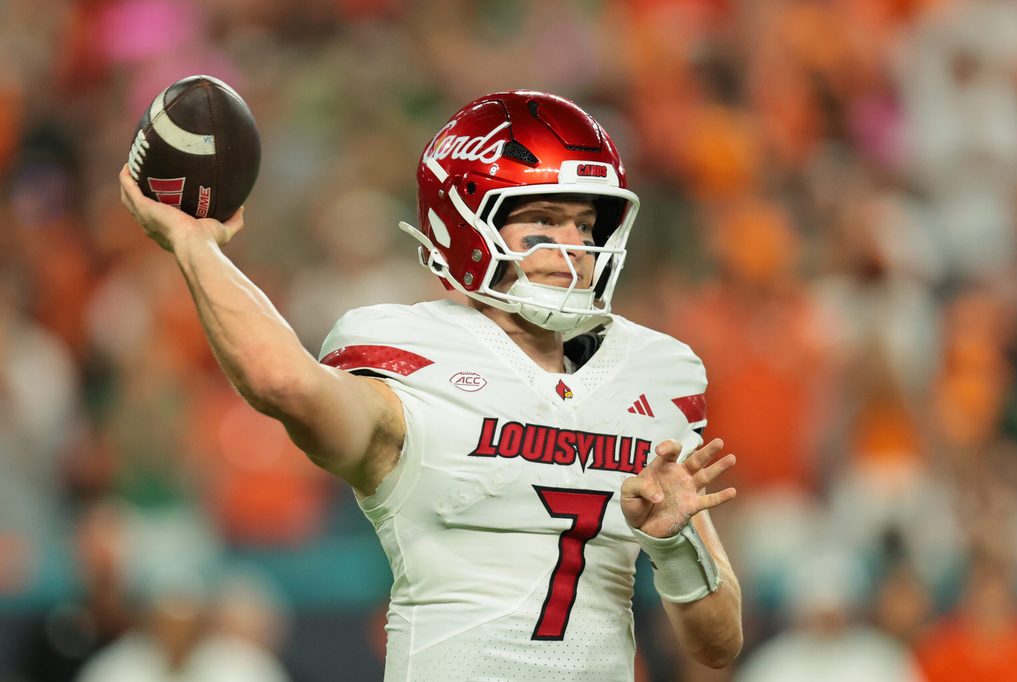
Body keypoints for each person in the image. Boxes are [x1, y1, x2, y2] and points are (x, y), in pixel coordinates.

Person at [118, 90, 743, 681]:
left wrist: (674, 545)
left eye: (586, 223)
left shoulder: (656, 374)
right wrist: (195, 244)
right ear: (465, 222)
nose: (575, 246)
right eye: (545, 218)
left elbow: (717, 646)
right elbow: (281, 382)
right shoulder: (409, 356)